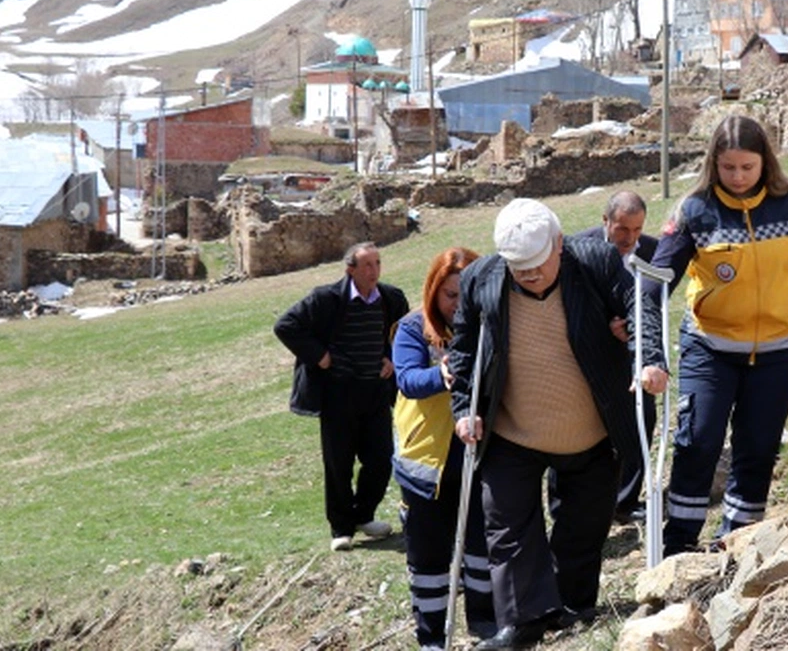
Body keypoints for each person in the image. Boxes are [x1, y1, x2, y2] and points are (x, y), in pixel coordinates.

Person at [448, 198, 669, 650]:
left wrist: (649, 357)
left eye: (537, 264)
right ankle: (522, 623)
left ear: (559, 244)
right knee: (507, 525)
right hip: (512, 429)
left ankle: (573, 604)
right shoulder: (481, 278)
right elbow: (465, 350)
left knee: (583, 524)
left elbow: (638, 305)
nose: (529, 275)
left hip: (591, 429)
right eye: (519, 268)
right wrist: (463, 409)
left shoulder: (595, 261)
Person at [645, 115, 788, 557]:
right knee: (698, 441)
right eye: (728, 167)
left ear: (765, 162)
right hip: (710, 347)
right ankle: (678, 544)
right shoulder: (693, 210)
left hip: (781, 348)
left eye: (747, 167)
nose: (737, 177)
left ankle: (737, 541)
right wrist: (647, 344)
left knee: (758, 447)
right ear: (713, 164)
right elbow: (655, 283)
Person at [274, 242, 410, 552]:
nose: (374, 271)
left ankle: (363, 515)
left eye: (377, 263)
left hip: (375, 392)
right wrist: (319, 356)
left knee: (381, 459)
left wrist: (391, 358)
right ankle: (341, 527)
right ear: (351, 269)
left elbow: (404, 335)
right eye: (367, 265)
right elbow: (285, 325)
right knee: (339, 463)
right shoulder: (326, 299)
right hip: (338, 394)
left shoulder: (391, 298)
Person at [392, 247, 495, 650]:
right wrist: (442, 374)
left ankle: (485, 624)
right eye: (450, 295)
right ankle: (432, 636)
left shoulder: (490, 324)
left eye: (466, 295)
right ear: (434, 290)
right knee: (429, 556)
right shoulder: (412, 327)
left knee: (481, 546)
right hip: (426, 462)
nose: (458, 304)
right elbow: (407, 379)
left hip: (478, 454)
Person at [573, 190, 659, 523]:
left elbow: (655, 300)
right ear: (605, 221)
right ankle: (586, 504)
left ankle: (624, 501)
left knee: (642, 419)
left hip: (636, 352)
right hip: (591, 352)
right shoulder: (580, 249)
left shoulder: (653, 251)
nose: (629, 238)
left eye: (637, 229)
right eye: (622, 229)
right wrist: (605, 325)